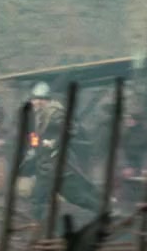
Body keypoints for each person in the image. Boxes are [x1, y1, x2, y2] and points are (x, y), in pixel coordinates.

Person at [24, 81, 102, 223]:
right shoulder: (38, 115)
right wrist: (34, 146)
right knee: (38, 198)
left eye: (40, 99)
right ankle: (42, 226)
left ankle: (103, 212)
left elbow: (71, 129)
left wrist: (55, 143)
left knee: (76, 197)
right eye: (34, 99)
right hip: (45, 165)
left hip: (59, 164)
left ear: (47, 100)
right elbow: (35, 135)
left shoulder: (56, 113)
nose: (36, 102)